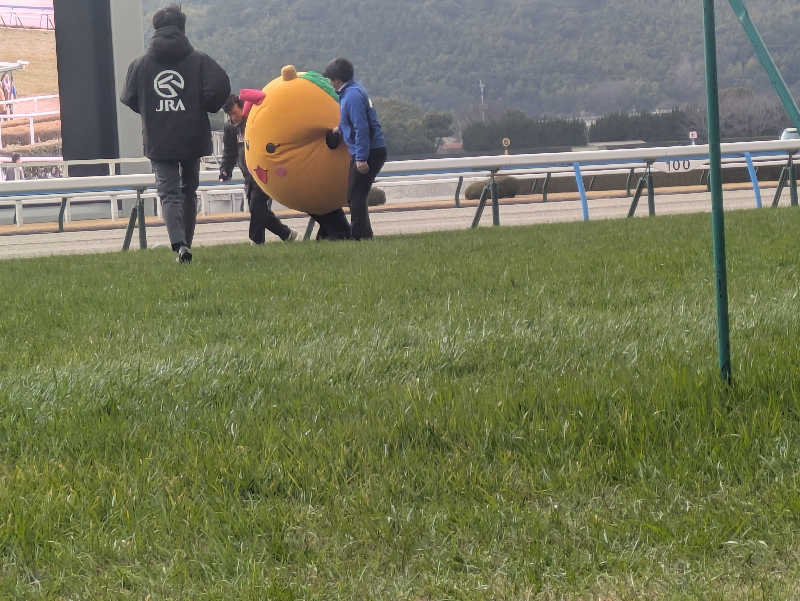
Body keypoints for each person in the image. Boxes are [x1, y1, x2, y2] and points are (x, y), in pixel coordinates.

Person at [120, 4, 230, 264]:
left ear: (155, 28)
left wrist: (151, 110)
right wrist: (203, 105)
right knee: (189, 191)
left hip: (159, 139)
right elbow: (221, 86)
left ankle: (179, 245)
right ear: (182, 28)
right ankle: (186, 243)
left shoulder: (140, 64)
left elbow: (129, 97)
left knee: (168, 193)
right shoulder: (200, 60)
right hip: (192, 136)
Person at [323, 58, 387, 240]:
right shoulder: (352, 91)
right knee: (356, 194)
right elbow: (351, 122)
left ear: (337, 80)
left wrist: (361, 158)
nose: (330, 83)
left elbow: (362, 127)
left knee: (355, 195)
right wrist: (339, 129)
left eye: (330, 79)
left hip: (369, 151)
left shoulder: (352, 96)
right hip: (369, 150)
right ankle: (364, 235)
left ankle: (359, 236)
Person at [220, 95, 298, 244]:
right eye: (230, 115)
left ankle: (256, 241)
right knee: (258, 210)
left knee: (256, 206)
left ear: (242, 107)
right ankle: (286, 234)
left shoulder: (254, 121)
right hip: (248, 174)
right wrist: (225, 170)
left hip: (264, 170)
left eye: (235, 113)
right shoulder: (230, 128)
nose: (233, 118)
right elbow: (229, 152)